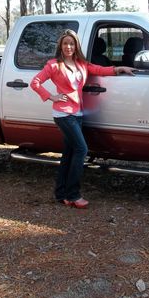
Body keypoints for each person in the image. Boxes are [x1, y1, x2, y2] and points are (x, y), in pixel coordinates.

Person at [30, 29, 136, 209]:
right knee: (82, 149)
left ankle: (61, 193)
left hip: (77, 112)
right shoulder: (54, 65)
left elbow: (100, 70)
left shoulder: (81, 64)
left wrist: (120, 69)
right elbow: (35, 82)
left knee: (70, 153)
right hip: (63, 114)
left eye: (71, 44)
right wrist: (51, 96)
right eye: (65, 44)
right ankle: (73, 194)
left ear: (76, 46)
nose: (68, 47)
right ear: (61, 46)